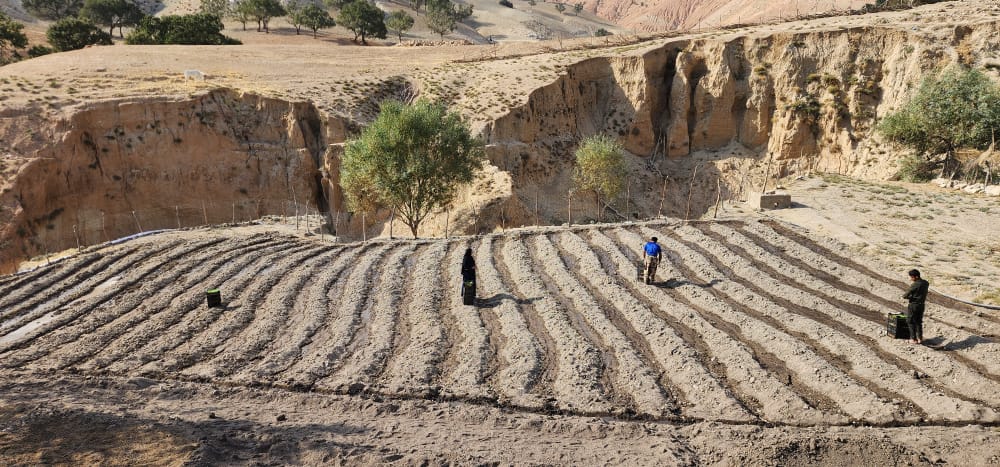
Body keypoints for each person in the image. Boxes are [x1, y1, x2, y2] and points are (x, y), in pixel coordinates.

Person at [902, 268, 929, 344]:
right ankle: (920, 338)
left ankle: (913, 339)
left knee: (910, 321)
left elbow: (905, 295)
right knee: (918, 322)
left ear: (916, 277)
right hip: (921, 305)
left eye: (912, 277)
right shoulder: (926, 283)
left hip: (913, 305)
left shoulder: (915, 284)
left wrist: (910, 297)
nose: (911, 279)